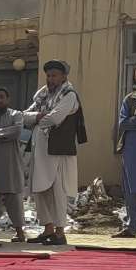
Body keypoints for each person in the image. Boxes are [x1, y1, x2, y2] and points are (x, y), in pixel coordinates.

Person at [24, 60, 86, 246]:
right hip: (40, 150)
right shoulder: (42, 94)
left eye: (54, 75)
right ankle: (48, 229)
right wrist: (36, 117)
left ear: (63, 77)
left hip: (58, 151)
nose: (50, 79)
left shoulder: (69, 95)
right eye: (49, 75)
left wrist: (37, 119)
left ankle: (60, 232)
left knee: (58, 191)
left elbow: (55, 117)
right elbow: (24, 116)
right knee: (40, 190)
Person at [0, 86, 28, 244]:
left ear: (7, 99)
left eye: (2, 97)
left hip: (11, 164)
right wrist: (2, 134)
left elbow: (16, 132)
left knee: (14, 199)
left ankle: (20, 232)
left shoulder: (16, 115)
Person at [117, 63, 136, 239]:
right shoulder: (129, 99)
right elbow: (122, 123)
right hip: (131, 151)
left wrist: (133, 121)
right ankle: (131, 228)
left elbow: (129, 122)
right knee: (131, 191)